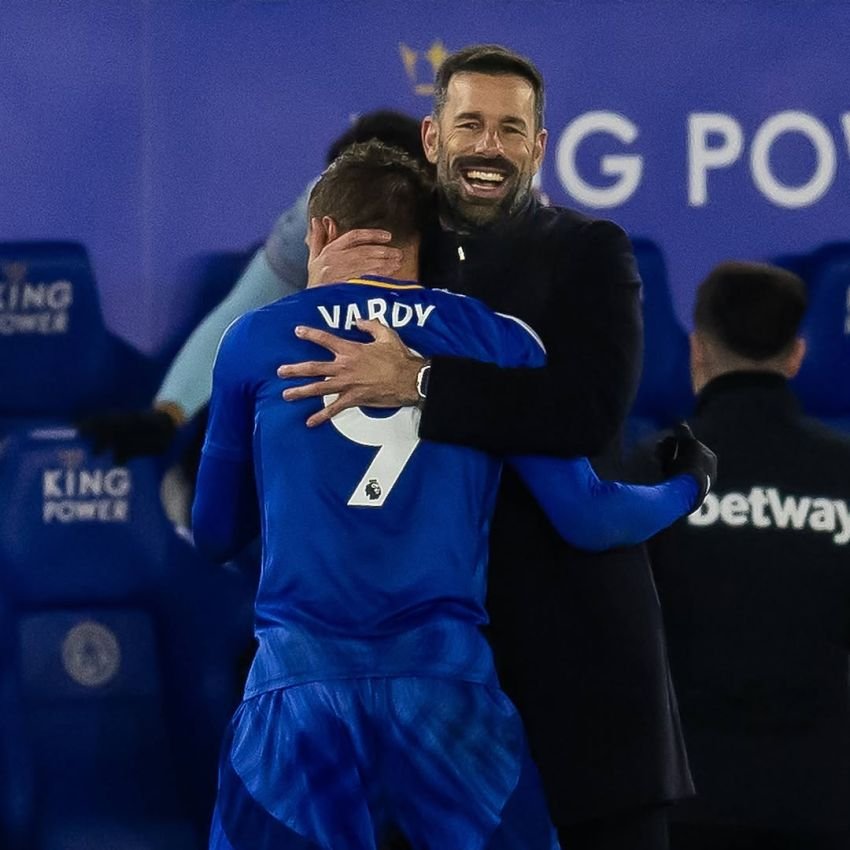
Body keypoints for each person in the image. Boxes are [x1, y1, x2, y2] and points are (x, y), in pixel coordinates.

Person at [192, 140, 715, 850]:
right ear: (427, 241)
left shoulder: (254, 340)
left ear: (319, 233)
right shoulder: (494, 338)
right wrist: (688, 483)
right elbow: (588, 518)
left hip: (298, 692)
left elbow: (215, 530)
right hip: (445, 696)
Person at [630, 262, 850, 850]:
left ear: (697, 350)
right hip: (823, 799)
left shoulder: (646, 474)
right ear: (797, 355)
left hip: (682, 797)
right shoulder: (844, 475)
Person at [76, 110, 425, 464]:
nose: (360, 233)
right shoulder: (315, 217)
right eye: (348, 204)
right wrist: (169, 414)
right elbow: (238, 317)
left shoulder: (461, 227)